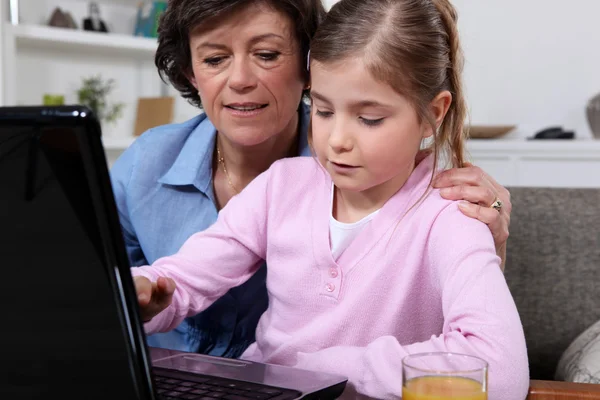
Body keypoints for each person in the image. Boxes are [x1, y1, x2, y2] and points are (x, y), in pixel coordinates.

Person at [130, 0, 530, 398]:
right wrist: (145, 288)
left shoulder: (452, 215)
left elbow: (500, 369)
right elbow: (184, 277)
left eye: (369, 118)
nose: (337, 140)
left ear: (433, 114)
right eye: (322, 111)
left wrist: (326, 369)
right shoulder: (281, 186)